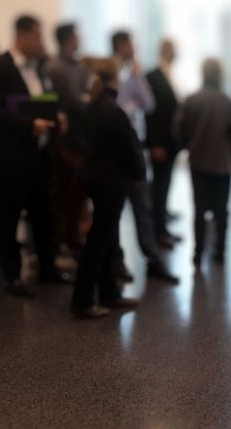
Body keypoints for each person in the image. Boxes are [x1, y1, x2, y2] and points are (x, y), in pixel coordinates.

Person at [0, 15, 67, 297]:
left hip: (41, 154)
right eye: (36, 35)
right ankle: (12, 276)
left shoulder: (38, 69)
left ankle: (48, 269)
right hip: (11, 158)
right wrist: (29, 127)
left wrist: (56, 116)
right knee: (9, 217)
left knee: (43, 213)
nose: (40, 41)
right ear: (22, 35)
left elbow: (42, 103)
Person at [71, 58, 145, 318]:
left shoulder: (94, 106)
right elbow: (129, 148)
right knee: (98, 241)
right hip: (110, 182)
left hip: (97, 178)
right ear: (115, 79)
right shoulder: (112, 110)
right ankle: (82, 301)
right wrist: (139, 175)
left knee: (105, 238)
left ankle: (108, 293)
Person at [111, 30, 178, 283]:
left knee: (142, 203)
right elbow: (117, 108)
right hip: (117, 146)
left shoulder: (135, 73)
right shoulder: (108, 72)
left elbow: (149, 105)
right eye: (131, 44)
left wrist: (137, 78)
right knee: (115, 209)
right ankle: (116, 262)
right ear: (120, 45)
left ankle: (152, 259)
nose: (135, 47)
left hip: (134, 144)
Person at [175, 58, 231, 268]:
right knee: (221, 210)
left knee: (199, 209)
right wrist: (230, 150)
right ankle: (220, 251)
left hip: (198, 162)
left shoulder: (191, 100)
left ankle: (197, 252)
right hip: (222, 163)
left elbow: (178, 129)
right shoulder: (226, 101)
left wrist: (188, 146)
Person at [45, 22, 91, 255]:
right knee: (65, 196)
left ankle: (73, 240)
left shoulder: (78, 66)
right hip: (67, 142)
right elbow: (76, 101)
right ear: (67, 39)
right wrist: (87, 98)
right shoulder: (57, 68)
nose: (80, 39)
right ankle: (62, 243)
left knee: (77, 198)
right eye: (76, 36)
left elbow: (87, 95)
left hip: (80, 140)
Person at [146, 39, 182, 249]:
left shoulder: (170, 75)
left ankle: (162, 228)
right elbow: (151, 114)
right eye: (172, 49)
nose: (176, 52)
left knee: (165, 185)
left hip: (171, 142)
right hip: (161, 143)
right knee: (159, 187)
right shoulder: (153, 76)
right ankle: (157, 231)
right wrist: (154, 144)